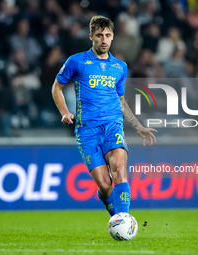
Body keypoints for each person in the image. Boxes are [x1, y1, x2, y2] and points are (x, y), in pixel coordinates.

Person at [52, 16, 157, 216]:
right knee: (105, 184)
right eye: (99, 35)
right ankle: (109, 204)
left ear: (113, 37)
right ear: (91, 36)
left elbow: (120, 100)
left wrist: (138, 126)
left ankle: (122, 219)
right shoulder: (76, 61)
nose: (104, 40)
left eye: (108, 35)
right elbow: (56, 87)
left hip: (113, 126)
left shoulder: (120, 67)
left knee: (119, 169)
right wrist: (65, 111)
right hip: (87, 130)